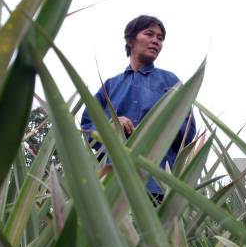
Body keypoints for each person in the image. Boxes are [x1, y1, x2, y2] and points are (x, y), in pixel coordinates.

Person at [81, 15, 196, 202]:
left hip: (158, 183)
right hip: (114, 183)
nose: (155, 41)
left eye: (160, 38)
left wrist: (157, 124)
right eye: (149, 34)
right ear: (130, 40)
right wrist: (111, 125)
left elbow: (188, 131)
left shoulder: (171, 83)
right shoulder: (110, 85)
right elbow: (88, 126)